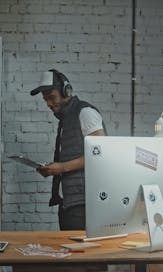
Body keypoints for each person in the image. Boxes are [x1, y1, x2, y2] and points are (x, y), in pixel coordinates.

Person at [30, 69, 106, 231]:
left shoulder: (85, 113)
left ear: (66, 91)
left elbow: (101, 154)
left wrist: (61, 167)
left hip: (84, 203)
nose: (49, 104)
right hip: (68, 203)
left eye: (52, 98)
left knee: (80, 255)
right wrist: (53, 169)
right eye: (46, 100)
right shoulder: (66, 118)